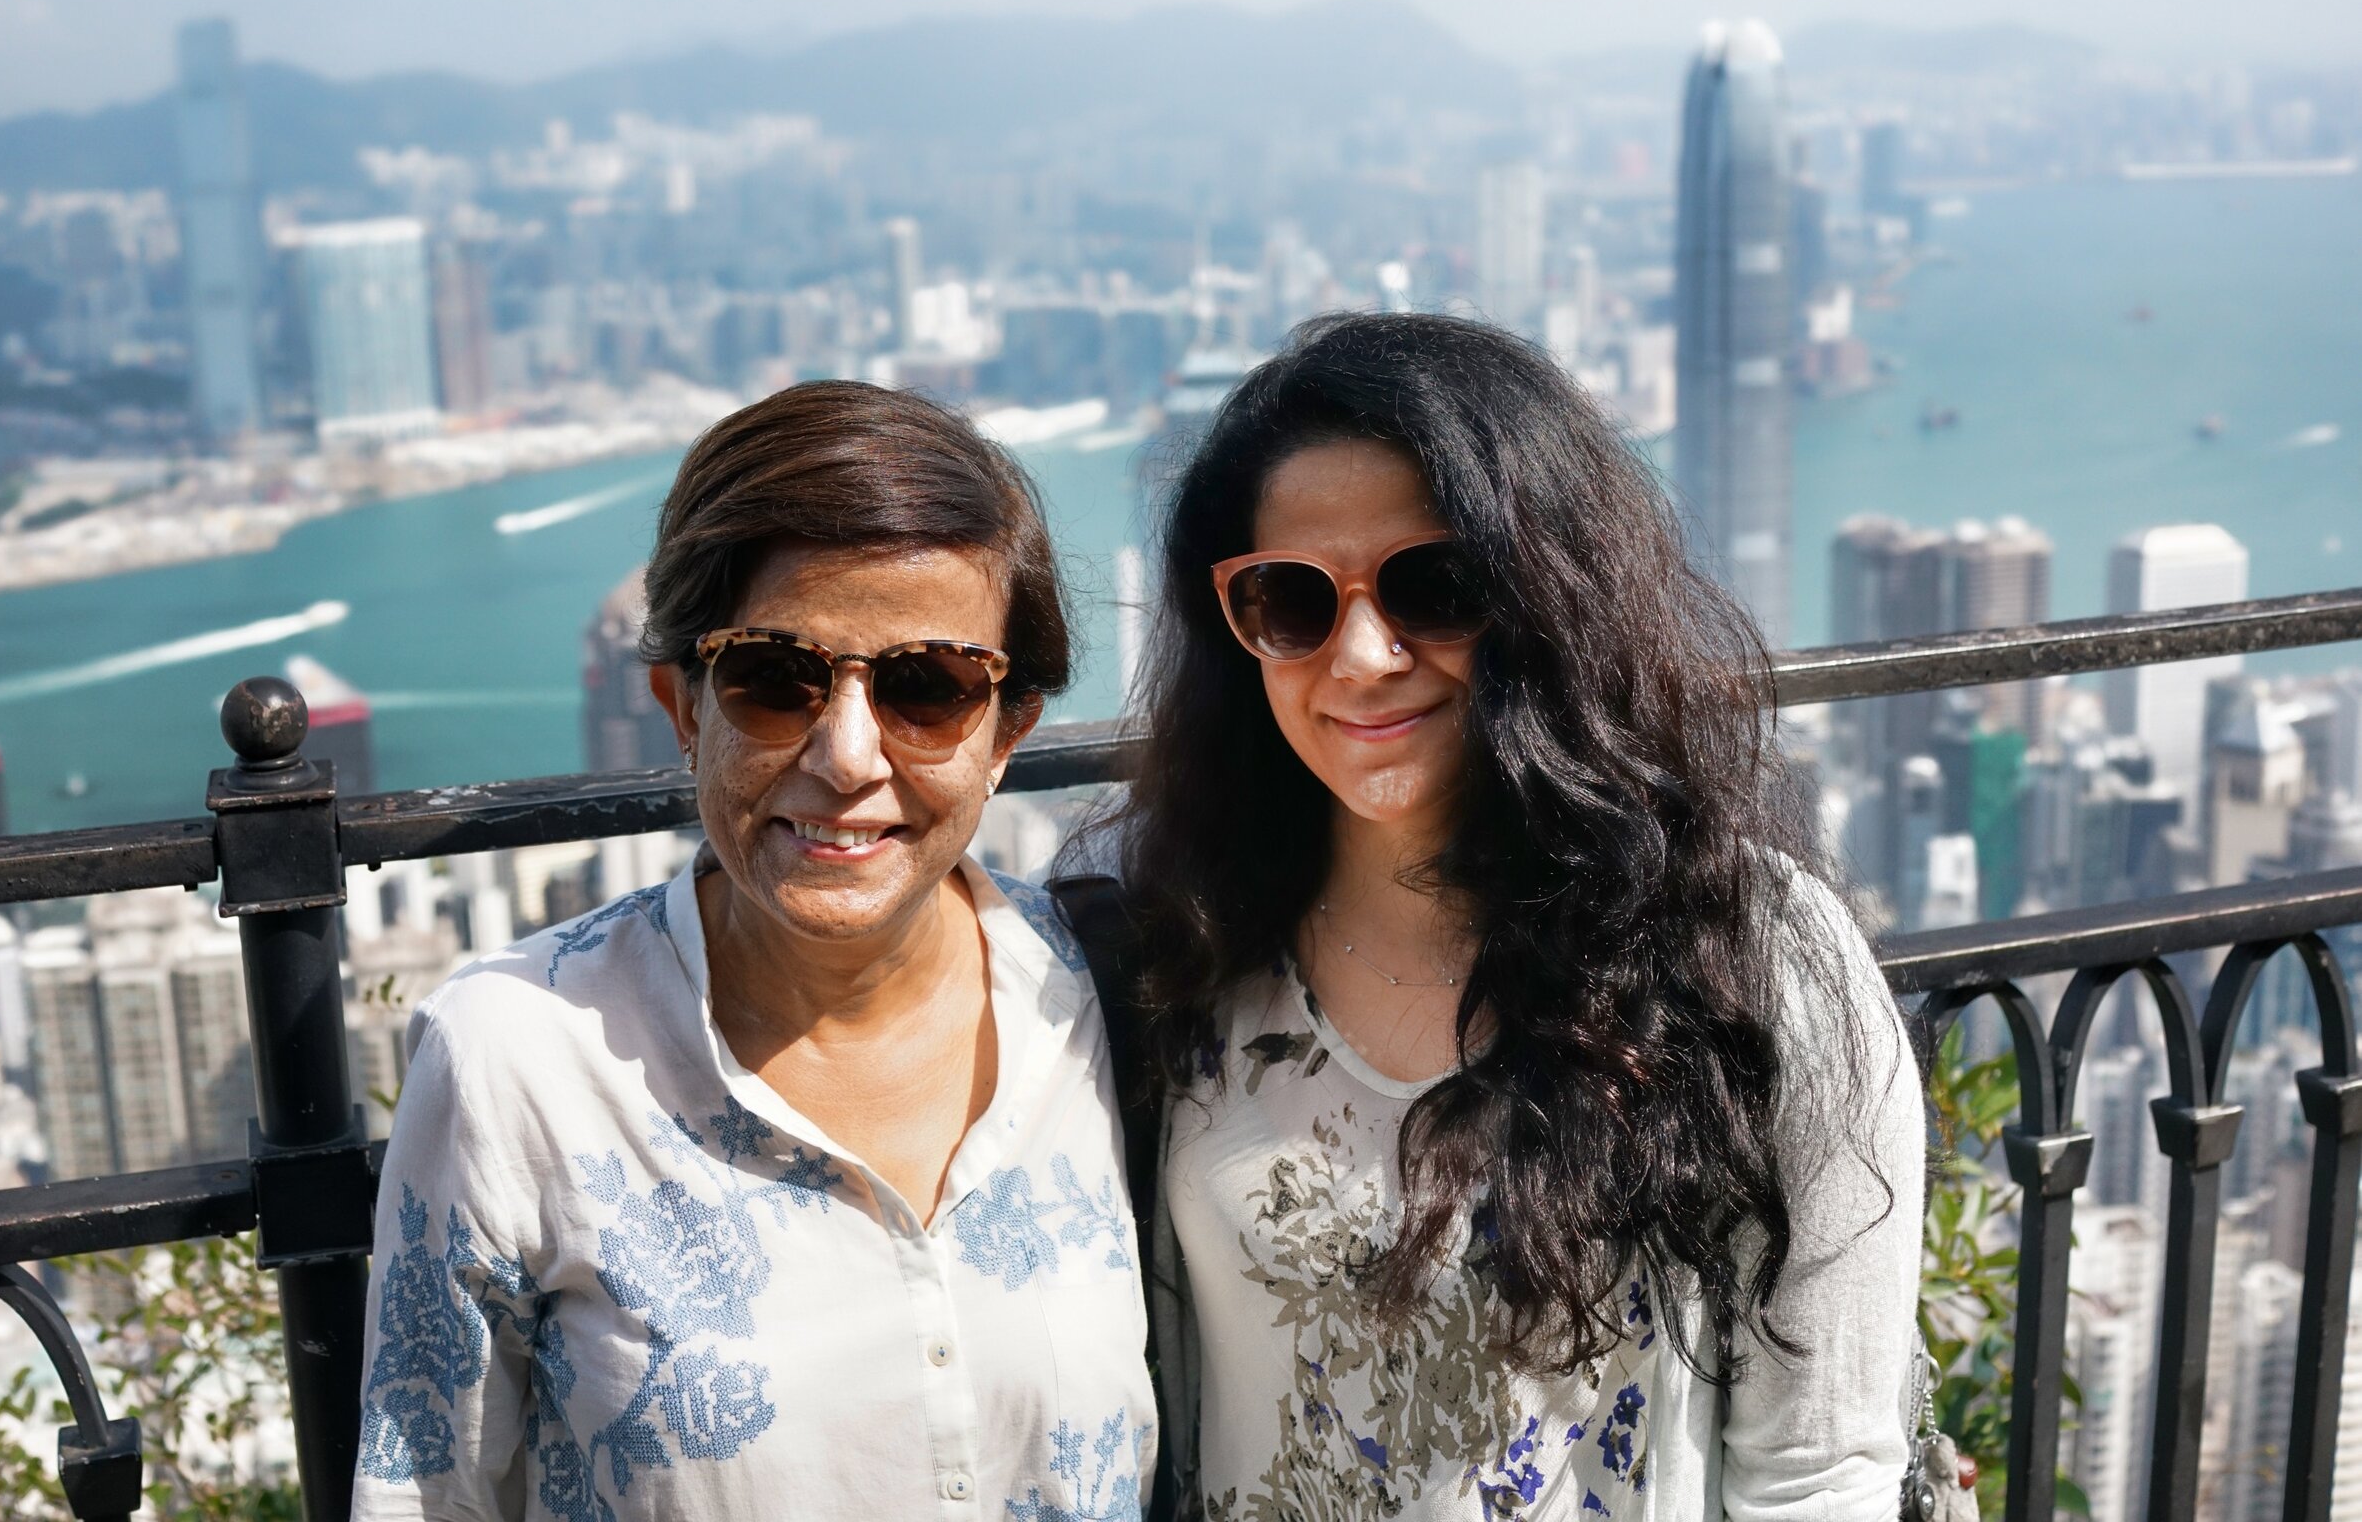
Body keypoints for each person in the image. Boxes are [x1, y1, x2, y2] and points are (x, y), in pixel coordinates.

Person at [1118, 313, 1923, 1520]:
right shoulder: (1186, 951)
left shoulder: (1750, 954)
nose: (1364, 654)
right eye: (1290, 602)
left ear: (1546, 593)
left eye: (1432, 585)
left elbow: (1822, 1467)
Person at [351, 381, 1155, 1521]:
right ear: (685, 708)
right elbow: (427, 1499)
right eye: (774, 677)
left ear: (1006, 732)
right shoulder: (519, 1059)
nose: (845, 756)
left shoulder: (1091, 990)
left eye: (928, 688)